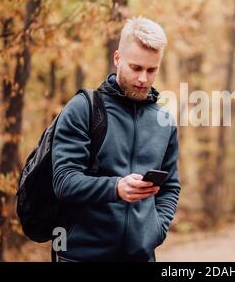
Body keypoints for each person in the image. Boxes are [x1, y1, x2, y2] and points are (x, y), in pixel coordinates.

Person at [52, 16, 180, 262]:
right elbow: (63, 181)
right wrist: (115, 188)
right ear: (117, 58)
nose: (143, 78)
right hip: (81, 256)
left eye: (151, 70)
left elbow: (171, 187)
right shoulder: (84, 109)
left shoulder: (164, 120)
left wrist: (155, 230)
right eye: (136, 67)